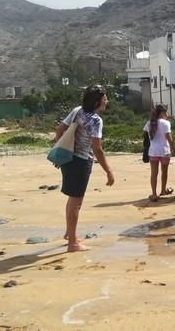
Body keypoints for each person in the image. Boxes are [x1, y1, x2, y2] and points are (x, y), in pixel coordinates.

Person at [55, 86, 114, 252]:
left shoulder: (77, 111)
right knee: (75, 202)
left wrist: (61, 152)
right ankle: (73, 243)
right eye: (105, 98)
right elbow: (98, 149)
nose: (106, 100)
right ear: (97, 102)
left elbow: (60, 130)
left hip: (67, 159)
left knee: (74, 200)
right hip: (80, 162)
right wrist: (108, 171)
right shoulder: (96, 120)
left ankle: (70, 233)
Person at [143, 104, 174, 202]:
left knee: (154, 173)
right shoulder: (166, 123)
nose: (167, 114)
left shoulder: (149, 123)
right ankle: (163, 190)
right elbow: (169, 137)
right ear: (163, 113)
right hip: (164, 151)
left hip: (153, 151)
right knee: (164, 171)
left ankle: (154, 193)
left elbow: (144, 133)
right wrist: (173, 148)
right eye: (166, 112)